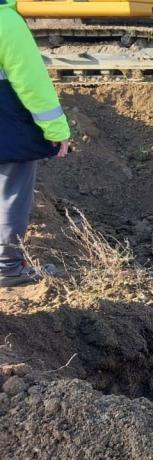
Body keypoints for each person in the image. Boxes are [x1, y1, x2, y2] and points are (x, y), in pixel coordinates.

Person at [0, 0, 73, 287]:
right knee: (10, 191)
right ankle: (6, 267)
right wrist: (56, 130)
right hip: (6, 127)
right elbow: (32, 82)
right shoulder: (6, 22)